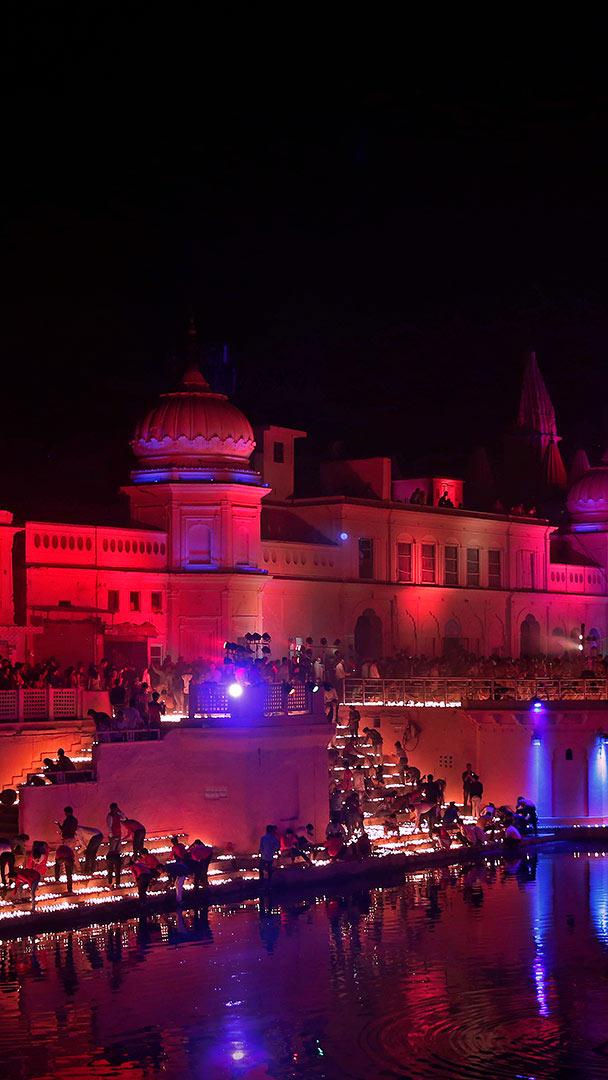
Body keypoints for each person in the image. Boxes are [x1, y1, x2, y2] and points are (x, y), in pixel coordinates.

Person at [14, 840, 49, 911]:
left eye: (37, 860)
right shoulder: (31, 858)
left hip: (35, 877)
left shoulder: (42, 856)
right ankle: (21, 899)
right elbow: (19, 884)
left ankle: (33, 908)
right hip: (32, 875)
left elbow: (29, 881)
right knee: (22, 886)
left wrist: (31, 887)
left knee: (32, 892)